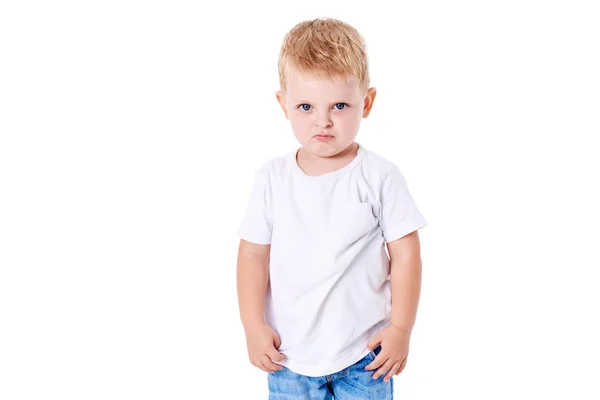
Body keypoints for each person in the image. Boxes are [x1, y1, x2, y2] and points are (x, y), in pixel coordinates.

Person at [236, 17, 427, 399]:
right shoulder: (272, 178)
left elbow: (406, 254)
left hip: (365, 355)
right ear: (284, 104)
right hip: (289, 357)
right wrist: (252, 326)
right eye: (305, 106)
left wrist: (401, 330)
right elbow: (253, 255)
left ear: (367, 103)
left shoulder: (379, 176)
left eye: (340, 105)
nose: (322, 121)